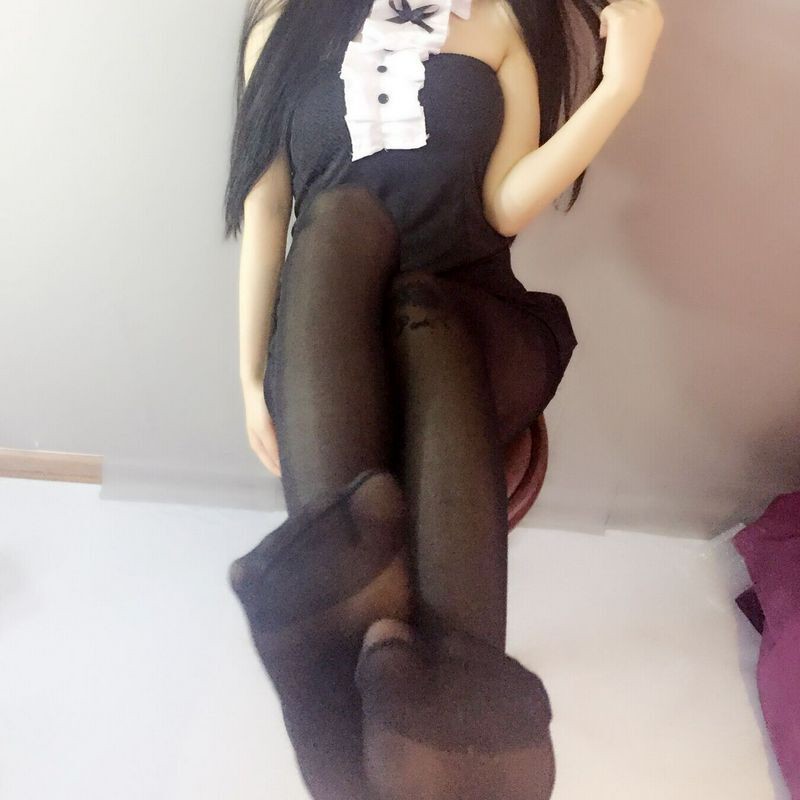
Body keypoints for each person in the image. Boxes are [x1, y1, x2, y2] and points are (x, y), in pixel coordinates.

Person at [222, 1, 664, 798]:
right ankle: (435, 757)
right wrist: (252, 377)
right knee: (337, 217)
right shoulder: (282, 26)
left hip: (471, 322)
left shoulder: (497, 22)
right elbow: (266, 207)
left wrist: (620, 87)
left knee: (420, 305)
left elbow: (502, 207)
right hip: (334, 334)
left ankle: (364, 727)